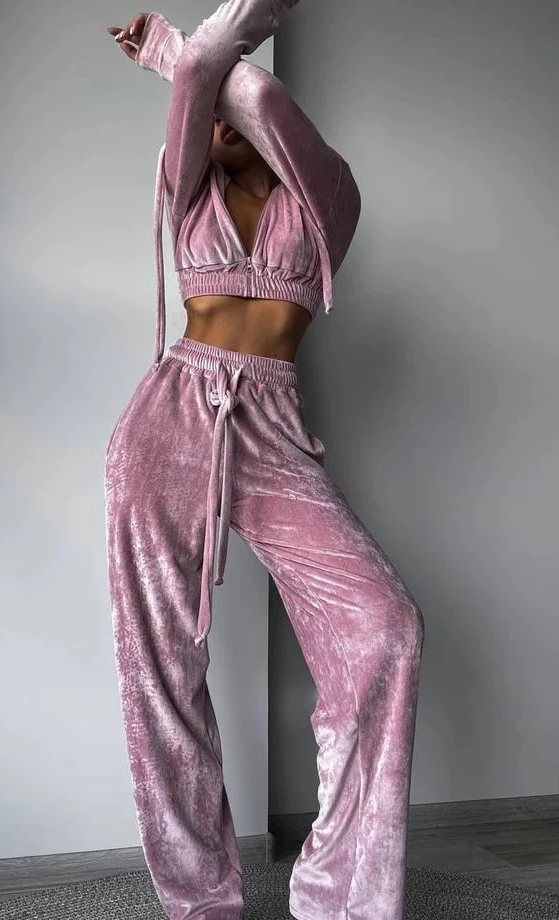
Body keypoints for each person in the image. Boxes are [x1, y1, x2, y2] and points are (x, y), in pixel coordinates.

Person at [104, 2, 425, 919]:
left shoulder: (329, 202)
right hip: (168, 421)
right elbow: (206, 80)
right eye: (199, 107)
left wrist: (186, 52)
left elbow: (258, 94)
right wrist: (185, 66)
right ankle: (200, 902)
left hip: (274, 431)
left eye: (222, 105)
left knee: (387, 629)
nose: (207, 116)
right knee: (158, 673)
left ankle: (340, 896)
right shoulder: (185, 187)